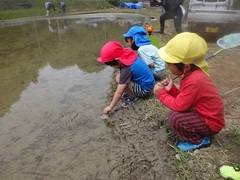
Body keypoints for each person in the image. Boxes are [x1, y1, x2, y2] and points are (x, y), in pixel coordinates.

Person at [153, 32, 225, 151]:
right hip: (202, 113)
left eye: (169, 64)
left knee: (175, 117)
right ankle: (200, 133)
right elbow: (185, 99)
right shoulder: (192, 75)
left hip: (210, 122)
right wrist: (171, 90)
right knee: (179, 113)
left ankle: (200, 140)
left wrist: (161, 93)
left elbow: (179, 106)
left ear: (186, 66)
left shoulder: (194, 80)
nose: (167, 67)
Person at [97, 41, 155, 113]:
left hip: (145, 90)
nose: (112, 67)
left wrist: (110, 107)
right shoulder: (128, 56)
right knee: (119, 77)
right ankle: (132, 92)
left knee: (120, 80)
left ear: (117, 60)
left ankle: (133, 97)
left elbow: (119, 92)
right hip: (149, 83)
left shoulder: (126, 68)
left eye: (111, 65)